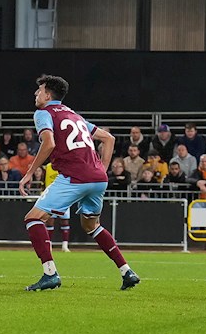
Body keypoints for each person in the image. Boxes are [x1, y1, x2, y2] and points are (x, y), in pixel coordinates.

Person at [17, 74, 139, 292]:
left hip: (74, 177)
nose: (36, 94)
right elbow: (108, 138)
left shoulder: (43, 113)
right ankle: (127, 271)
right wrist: (102, 167)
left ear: (47, 94)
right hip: (98, 179)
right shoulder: (74, 115)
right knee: (91, 225)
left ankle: (50, 274)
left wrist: (29, 172)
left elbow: (49, 143)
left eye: (39, 90)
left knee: (33, 219)